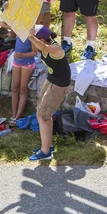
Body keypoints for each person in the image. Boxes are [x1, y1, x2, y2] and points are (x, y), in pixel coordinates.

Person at [27, 25, 70, 161]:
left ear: (41, 38)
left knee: (43, 116)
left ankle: (45, 152)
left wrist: (30, 36)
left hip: (58, 85)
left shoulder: (55, 48)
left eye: (35, 38)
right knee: (43, 114)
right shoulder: (43, 45)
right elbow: (38, 47)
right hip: (51, 80)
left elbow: (43, 48)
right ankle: (48, 146)